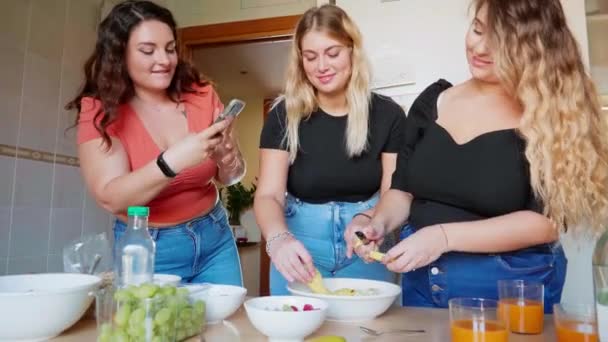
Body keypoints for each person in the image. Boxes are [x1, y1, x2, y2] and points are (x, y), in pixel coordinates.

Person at [348, 0, 608, 312]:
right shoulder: (432, 102)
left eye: (500, 42)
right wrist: (377, 222)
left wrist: (442, 237)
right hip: (422, 284)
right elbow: (402, 191)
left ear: (533, 48)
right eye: (477, 29)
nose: (480, 47)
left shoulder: (550, 117)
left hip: (512, 290)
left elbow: (547, 222)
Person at [66, 0, 245, 285]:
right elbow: (112, 197)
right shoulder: (100, 110)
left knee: (227, 326)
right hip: (148, 247)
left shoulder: (201, 94)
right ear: (119, 54)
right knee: (155, 329)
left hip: (215, 239)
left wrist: (228, 158)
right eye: (148, 50)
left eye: (170, 48)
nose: (164, 60)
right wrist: (172, 161)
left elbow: (232, 177)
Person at [254, 4, 404, 295]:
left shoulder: (389, 115)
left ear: (352, 50)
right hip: (301, 248)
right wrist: (278, 239)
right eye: (310, 57)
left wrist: (371, 221)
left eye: (332, 53)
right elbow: (269, 195)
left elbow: (392, 194)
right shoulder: (283, 115)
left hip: (363, 245)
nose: (321, 66)